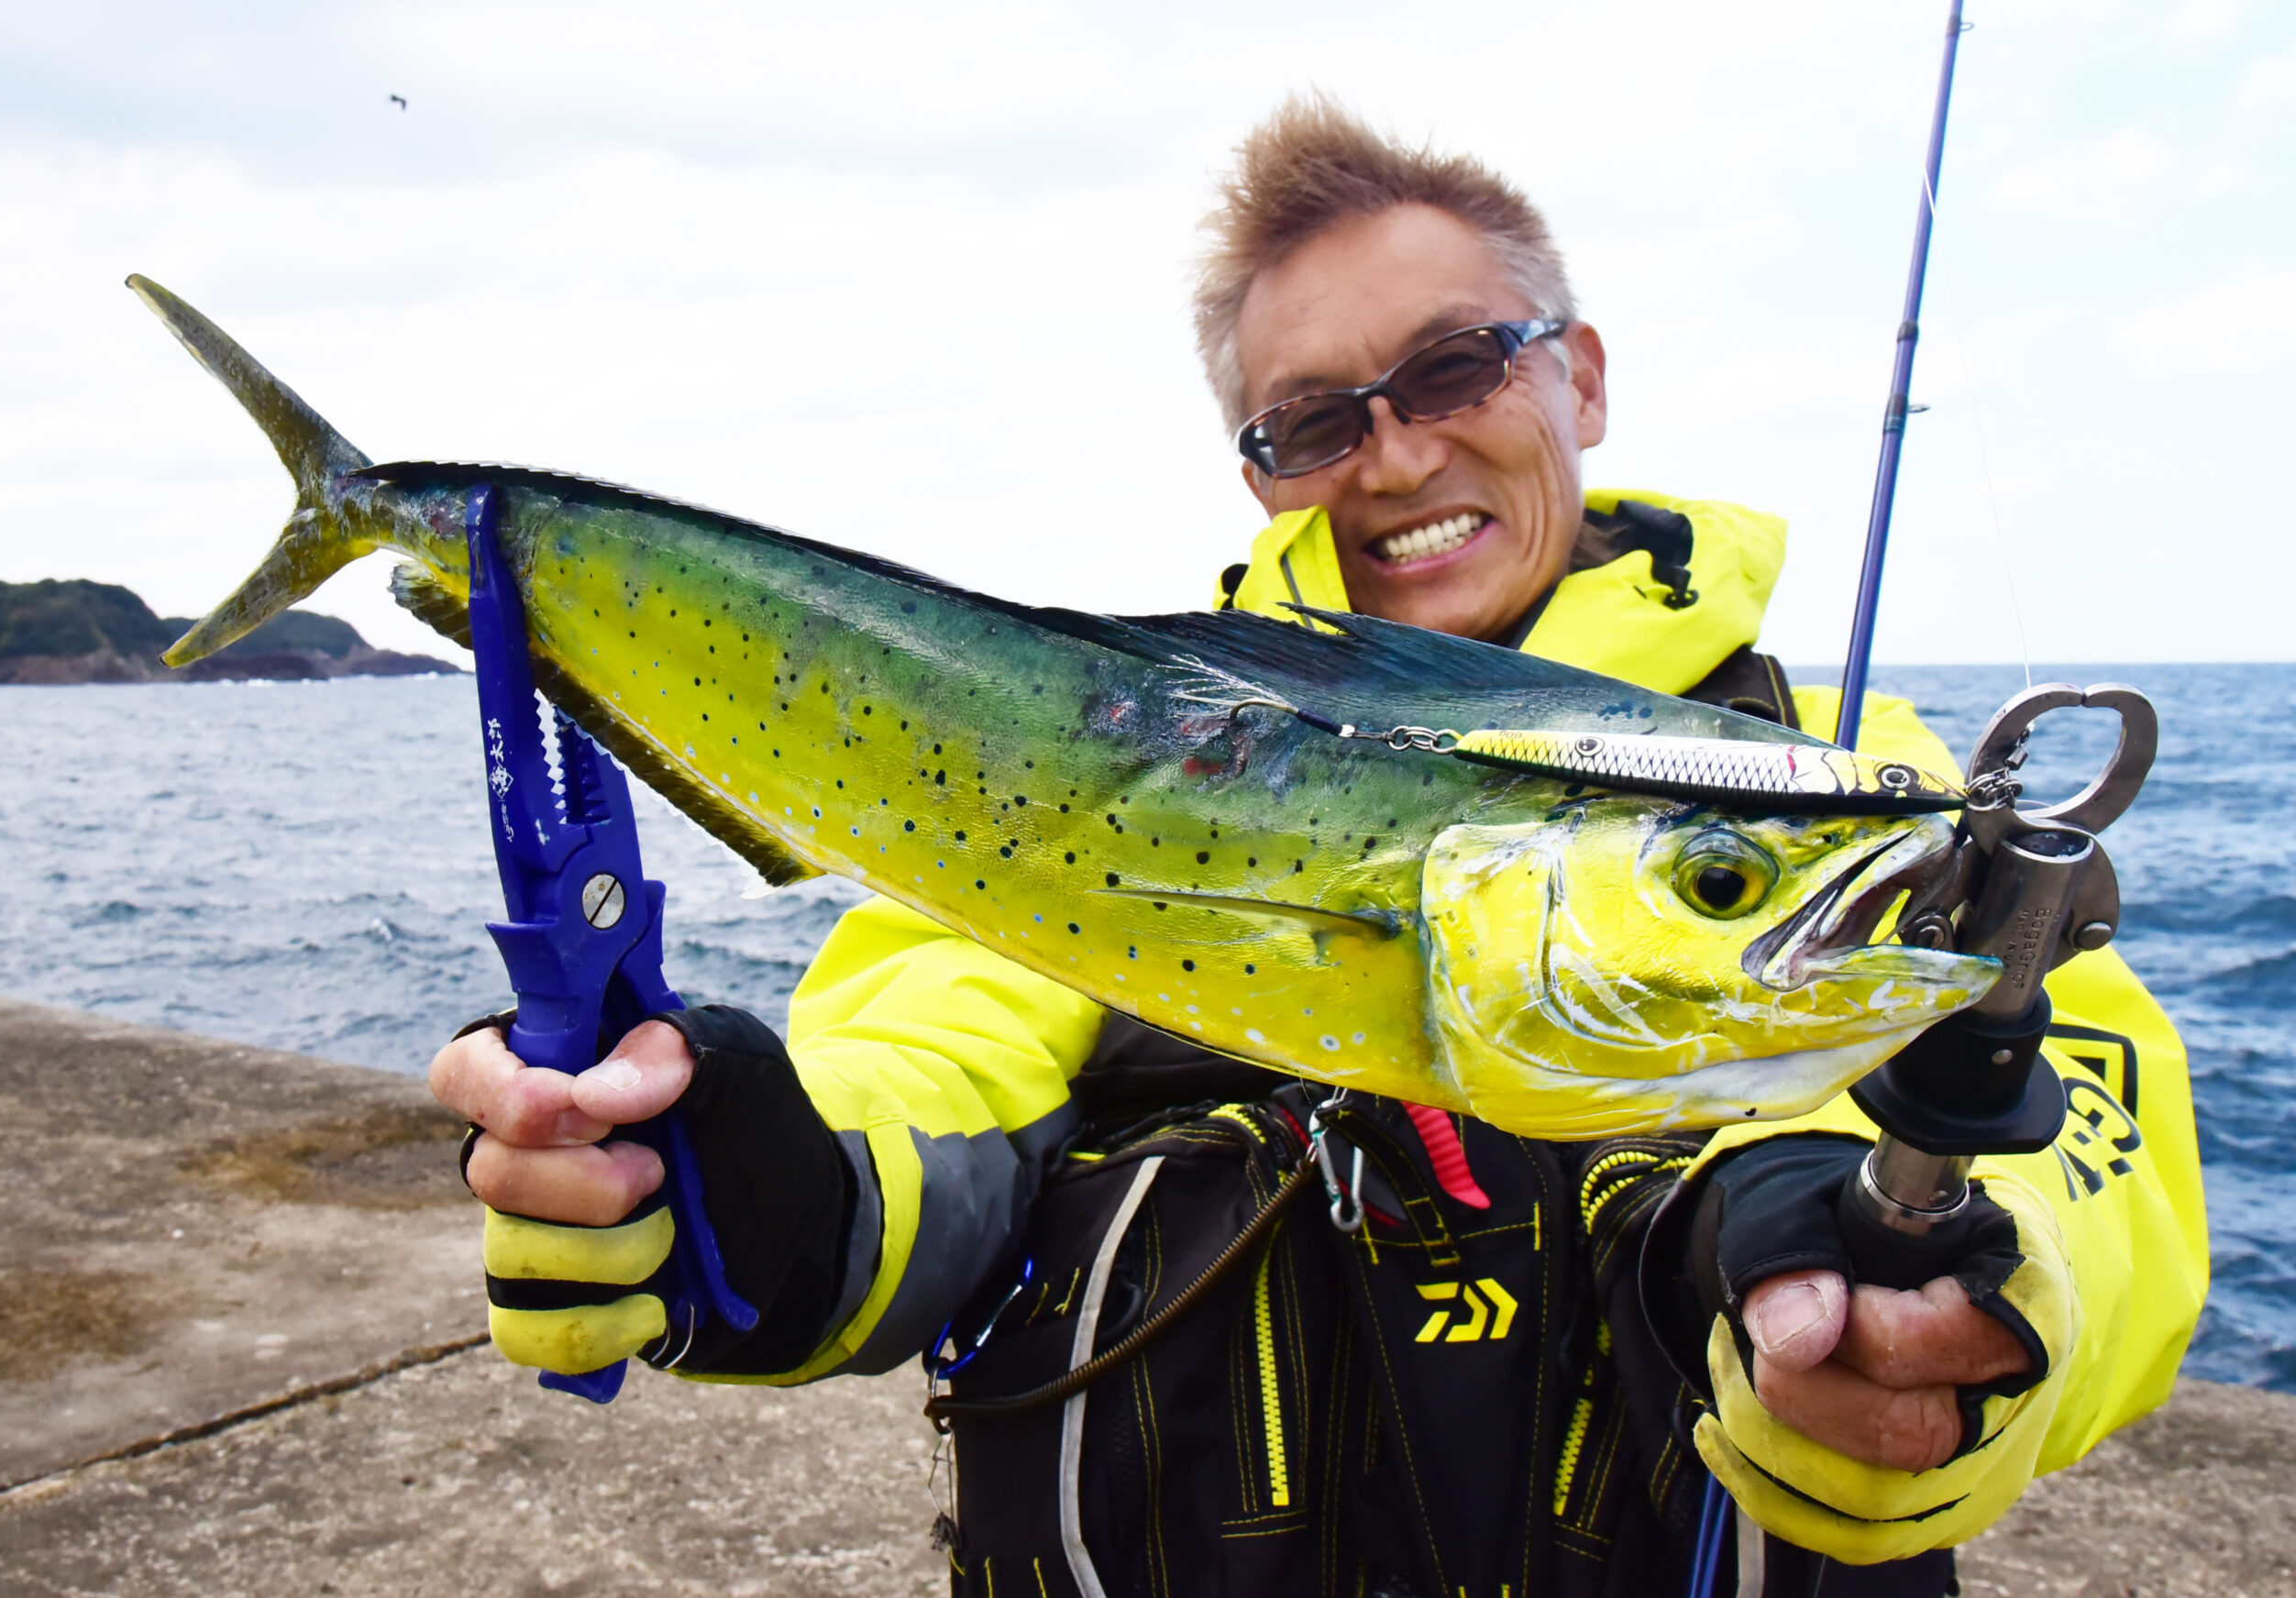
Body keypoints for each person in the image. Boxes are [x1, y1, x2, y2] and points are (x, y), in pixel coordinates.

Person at [430, 100, 2206, 1598]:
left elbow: (2090, 1109)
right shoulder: (1115, 774)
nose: (1397, 455)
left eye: (1454, 364)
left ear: (1581, 376)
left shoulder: (1847, 778)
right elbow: (918, 1062)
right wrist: (742, 1185)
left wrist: (1976, 1271)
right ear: (1261, 468)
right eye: (1311, 420)